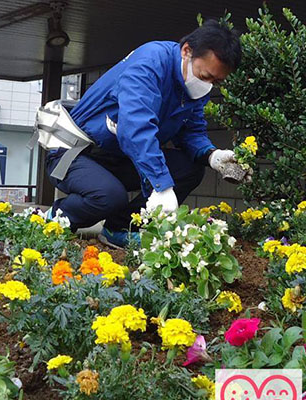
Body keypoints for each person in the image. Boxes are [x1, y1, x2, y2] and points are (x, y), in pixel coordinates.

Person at [45, 21, 245, 248]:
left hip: (117, 156)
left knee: (189, 169)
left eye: (216, 82)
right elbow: (136, 129)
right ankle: (56, 218)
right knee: (110, 197)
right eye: (205, 75)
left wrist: (213, 156)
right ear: (187, 51)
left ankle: (119, 228)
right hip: (76, 153)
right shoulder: (149, 63)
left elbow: (192, 132)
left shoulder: (193, 87)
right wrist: (161, 185)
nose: (207, 85)